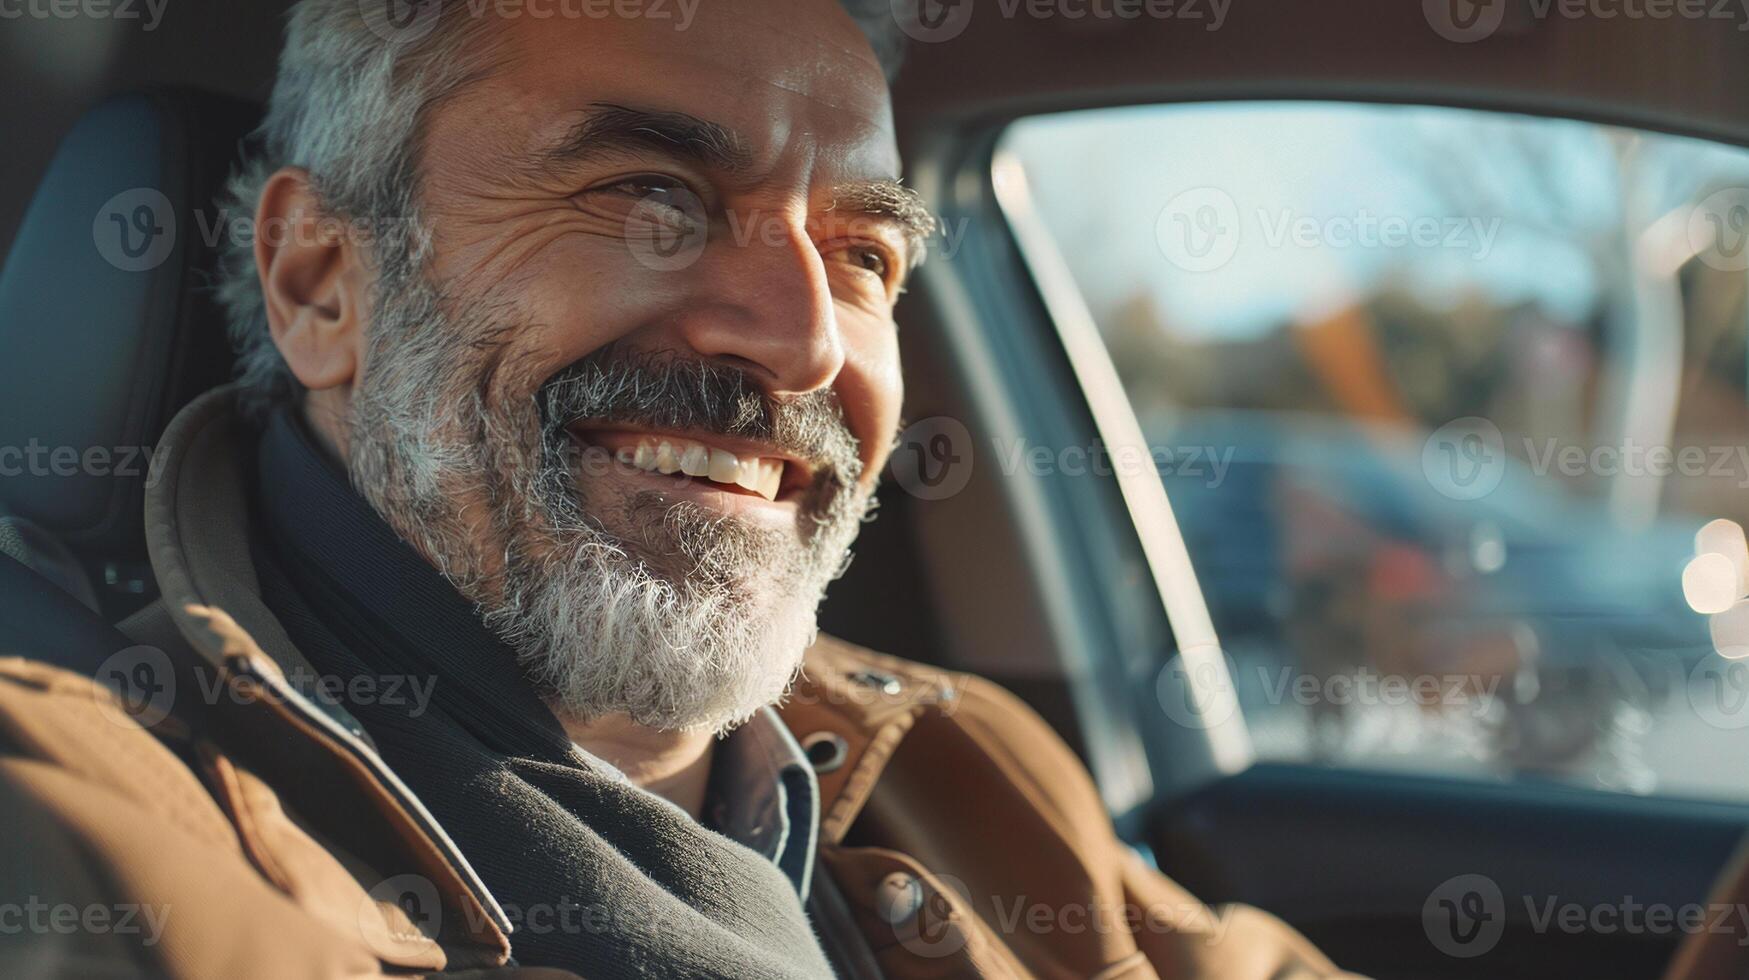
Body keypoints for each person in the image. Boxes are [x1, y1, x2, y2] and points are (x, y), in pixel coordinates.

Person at [0, 1, 1357, 976]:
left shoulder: (958, 767)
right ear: (320, 279)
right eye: (654, 198)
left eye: (863, 255)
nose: (806, 338)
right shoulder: (98, 825)